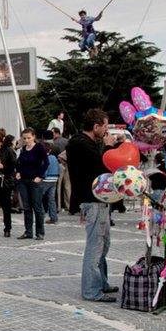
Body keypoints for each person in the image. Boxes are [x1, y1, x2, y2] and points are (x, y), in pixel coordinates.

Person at [67, 109, 118, 302]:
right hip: (91, 200)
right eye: (104, 126)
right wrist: (107, 147)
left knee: (103, 245)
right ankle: (91, 290)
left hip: (99, 200)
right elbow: (100, 166)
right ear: (95, 126)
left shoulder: (88, 143)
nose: (106, 130)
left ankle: (101, 282)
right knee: (95, 247)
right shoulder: (80, 144)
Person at [15, 128, 49, 240]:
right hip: (23, 180)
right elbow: (19, 163)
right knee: (27, 207)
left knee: (37, 207)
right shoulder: (24, 149)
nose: (26, 140)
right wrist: (18, 172)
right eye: (24, 138)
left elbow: (46, 163)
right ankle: (28, 231)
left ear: (34, 137)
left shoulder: (39, 147)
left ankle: (40, 232)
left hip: (35, 181)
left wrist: (40, 176)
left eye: (29, 138)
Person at [41, 142, 60, 225]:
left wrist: (41, 176)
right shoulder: (54, 157)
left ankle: (40, 216)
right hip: (54, 179)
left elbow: (45, 169)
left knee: (39, 198)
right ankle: (53, 217)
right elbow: (58, 167)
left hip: (46, 180)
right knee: (51, 199)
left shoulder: (44, 158)